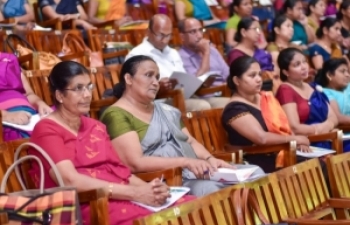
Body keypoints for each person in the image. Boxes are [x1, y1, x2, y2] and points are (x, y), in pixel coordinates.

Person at [28, 61, 194, 225]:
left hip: (119, 193)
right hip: (86, 203)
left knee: (190, 206)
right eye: (78, 88)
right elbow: (70, 181)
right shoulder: (46, 129)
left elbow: (120, 172)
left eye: (89, 87)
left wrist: (151, 190)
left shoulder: (96, 126)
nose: (87, 94)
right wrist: (135, 193)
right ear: (59, 95)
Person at [100, 55, 265, 197]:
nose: (155, 82)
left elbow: (190, 142)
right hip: (166, 179)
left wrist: (210, 159)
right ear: (128, 79)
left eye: (157, 77)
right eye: (148, 75)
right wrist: (185, 162)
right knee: (213, 190)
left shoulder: (166, 110)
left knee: (256, 173)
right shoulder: (116, 114)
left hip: (195, 170)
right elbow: (135, 163)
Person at [222, 55, 310, 173]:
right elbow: (261, 138)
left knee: (322, 162)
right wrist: (295, 139)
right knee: (317, 167)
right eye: (252, 75)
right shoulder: (234, 109)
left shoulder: (265, 97)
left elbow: (284, 126)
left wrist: (298, 144)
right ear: (237, 80)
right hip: (260, 158)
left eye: (259, 74)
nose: (259, 79)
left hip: (284, 151)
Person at [126, 14, 222, 111]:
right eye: (160, 35)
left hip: (182, 96)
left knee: (224, 104)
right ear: (148, 32)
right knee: (202, 106)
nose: (164, 40)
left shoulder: (173, 53)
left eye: (168, 35)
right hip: (158, 101)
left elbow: (183, 80)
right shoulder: (137, 55)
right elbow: (133, 89)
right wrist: (158, 87)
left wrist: (199, 83)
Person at [275, 47, 338, 149]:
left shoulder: (313, 86)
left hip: (327, 137)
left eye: (305, 62)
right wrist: (318, 130)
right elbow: (294, 127)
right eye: (297, 65)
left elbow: (333, 117)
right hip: (306, 144)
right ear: (286, 72)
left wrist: (326, 127)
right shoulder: (285, 89)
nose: (304, 67)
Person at [178, 18, 230, 109]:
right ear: (182, 36)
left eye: (200, 30)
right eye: (193, 32)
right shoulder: (181, 56)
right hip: (205, 96)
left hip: (224, 91)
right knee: (235, 105)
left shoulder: (213, 50)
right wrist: (206, 53)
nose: (199, 36)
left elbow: (227, 74)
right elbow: (195, 84)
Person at [0, 52, 52, 141]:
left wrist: (40, 103)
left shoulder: (10, 59)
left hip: (30, 115)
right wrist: (5, 115)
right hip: (7, 120)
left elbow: (28, 94)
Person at [227, 17, 277, 92]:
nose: (259, 32)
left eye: (259, 29)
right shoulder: (235, 54)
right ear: (243, 32)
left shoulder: (259, 50)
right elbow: (241, 81)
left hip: (271, 84)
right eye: (255, 29)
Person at [315, 58, 350, 151]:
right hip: (343, 136)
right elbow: (338, 117)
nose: (347, 74)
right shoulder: (325, 92)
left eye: (348, 71)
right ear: (330, 75)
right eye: (342, 71)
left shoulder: (348, 87)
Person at [267, 15, 295, 85]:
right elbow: (279, 67)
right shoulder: (272, 47)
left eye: (292, 27)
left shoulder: (294, 46)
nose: (291, 29)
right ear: (277, 30)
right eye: (288, 26)